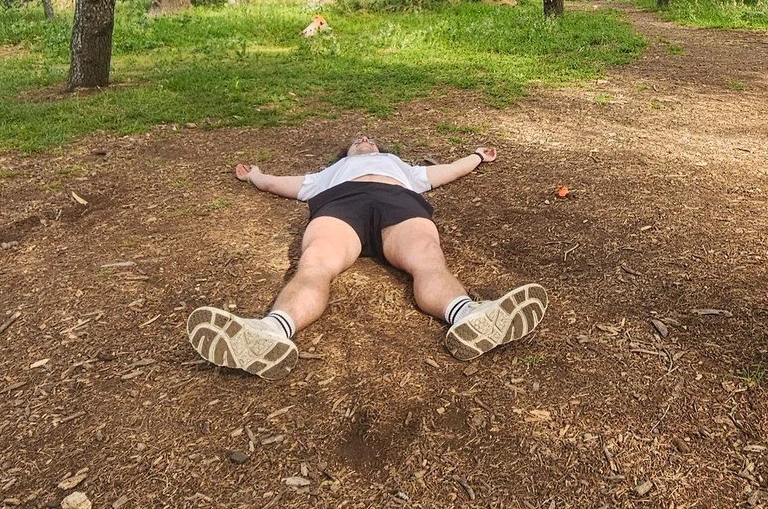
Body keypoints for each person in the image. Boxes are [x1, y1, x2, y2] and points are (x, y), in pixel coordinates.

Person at [186, 133, 548, 379]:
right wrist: (256, 175)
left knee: (428, 258)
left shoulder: (402, 167)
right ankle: (270, 331)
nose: (364, 140)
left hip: (397, 201)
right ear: (346, 153)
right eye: (357, 140)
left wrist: (475, 157)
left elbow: (445, 172)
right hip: (342, 204)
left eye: (369, 139)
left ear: (380, 149)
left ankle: (468, 314)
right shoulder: (328, 173)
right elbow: (277, 184)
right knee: (315, 263)